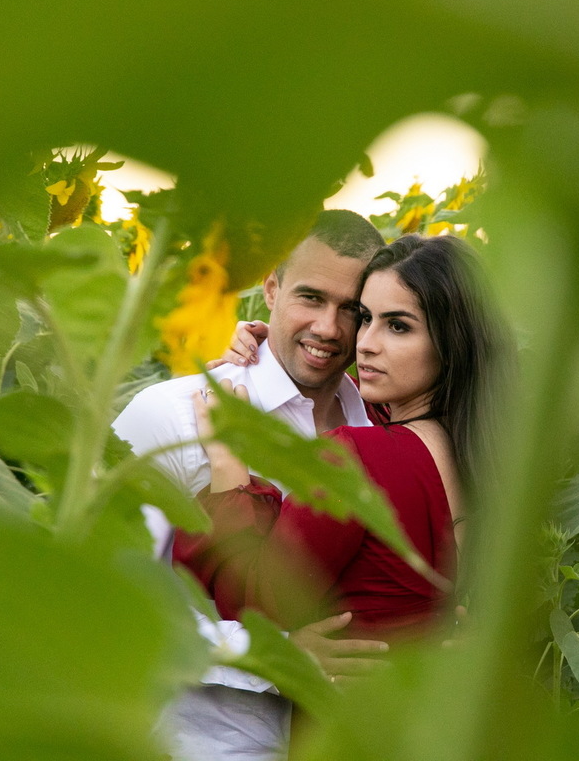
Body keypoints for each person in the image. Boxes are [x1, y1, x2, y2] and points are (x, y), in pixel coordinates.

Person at [113, 209, 388, 761]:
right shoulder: (172, 416)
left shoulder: (381, 433)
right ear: (270, 289)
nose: (329, 329)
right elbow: (111, 600)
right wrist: (275, 657)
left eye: (352, 310)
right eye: (310, 298)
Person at [181, 234, 509, 645]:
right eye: (365, 317)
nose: (366, 343)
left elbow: (255, 600)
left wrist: (229, 462)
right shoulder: (483, 454)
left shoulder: (359, 457)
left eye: (398, 326)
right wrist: (280, 344)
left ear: (452, 342)